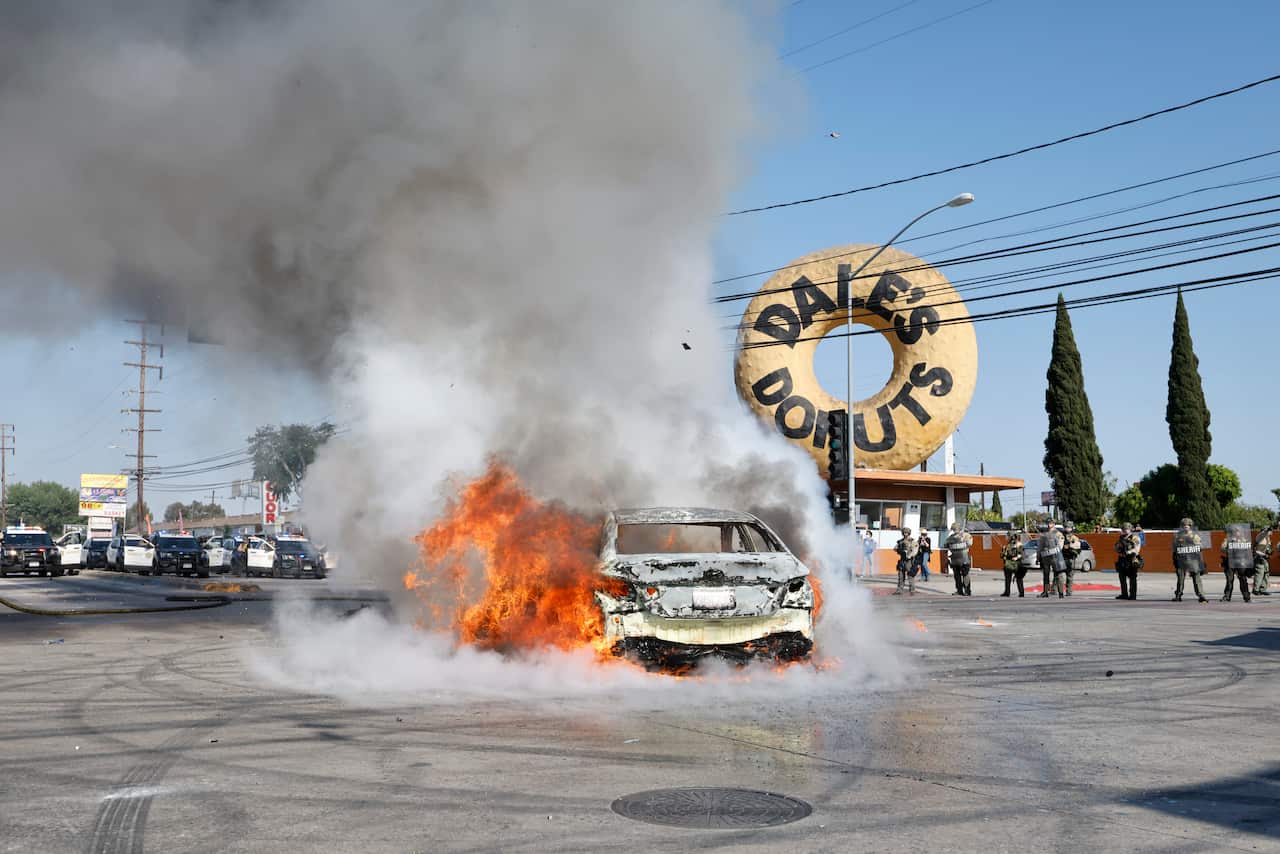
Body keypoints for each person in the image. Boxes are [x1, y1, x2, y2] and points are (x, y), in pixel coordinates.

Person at [1171, 517, 1207, 603]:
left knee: (1196, 578)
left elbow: (1201, 547)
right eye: (1184, 525)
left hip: (1193, 560)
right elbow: (1174, 548)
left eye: (1187, 525)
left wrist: (1193, 544)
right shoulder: (1178, 536)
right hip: (1181, 559)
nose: (1185, 527)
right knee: (1180, 578)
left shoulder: (1195, 536)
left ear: (1190, 526)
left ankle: (1201, 595)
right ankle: (1178, 595)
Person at [1221, 524, 1253, 603]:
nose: (1237, 532)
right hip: (1230, 561)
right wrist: (1229, 548)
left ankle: (1247, 597)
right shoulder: (1228, 540)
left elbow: (1249, 550)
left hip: (1241, 562)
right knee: (1229, 580)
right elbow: (1222, 548)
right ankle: (1227, 596)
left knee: (1243, 579)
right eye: (1235, 531)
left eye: (1238, 531)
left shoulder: (1244, 540)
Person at [1114, 523, 1143, 600]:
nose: (1124, 530)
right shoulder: (1121, 538)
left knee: (1132, 578)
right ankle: (1124, 594)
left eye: (1126, 528)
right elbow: (1117, 547)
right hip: (1122, 559)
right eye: (1123, 529)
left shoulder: (1135, 538)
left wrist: (1128, 552)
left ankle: (1132, 595)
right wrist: (1119, 550)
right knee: (1122, 577)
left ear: (1130, 529)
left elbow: (1137, 549)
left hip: (1131, 559)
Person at [1037, 522, 1066, 598]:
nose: (1049, 524)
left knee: (1058, 575)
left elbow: (1060, 546)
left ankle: (1061, 592)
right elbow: (1040, 546)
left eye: (1051, 523)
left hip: (1055, 556)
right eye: (1048, 523)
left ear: (1054, 524)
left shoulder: (1058, 534)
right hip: (1045, 557)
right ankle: (1045, 592)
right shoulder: (1044, 534)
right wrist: (1038, 557)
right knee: (1046, 575)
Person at [944, 522, 973, 596]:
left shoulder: (966, 535)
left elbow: (970, 543)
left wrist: (962, 537)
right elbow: (945, 545)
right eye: (953, 529)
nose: (954, 530)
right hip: (954, 559)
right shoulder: (951, 537)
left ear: (959, 528)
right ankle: (959, 590)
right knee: (957, 576)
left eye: (955, 529)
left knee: (965, 575)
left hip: (964, 559)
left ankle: (967, 590)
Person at [1001, 530, 1027, 597]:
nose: (1006, 537)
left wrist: (1017, 557)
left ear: (1011, 536)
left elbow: (1023, 554)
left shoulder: (1019, 544)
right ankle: (1007, 592)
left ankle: (1021, 592)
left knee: (1019, 578)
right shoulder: (1007, 545)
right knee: (1007, 578)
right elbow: (1002, 556)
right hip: (1009, 564)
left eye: (1008, 536)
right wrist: (1003, 550)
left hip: (1017, 564)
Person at [893, 527, 919, 595]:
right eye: (904, 532)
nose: (905, 534)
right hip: (902, 560)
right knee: (901, 576)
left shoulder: (912, 541)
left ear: (909, 533)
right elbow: (895, 548)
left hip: (909, 561)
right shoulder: (900, 541)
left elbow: (915, 551)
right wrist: (900, 550)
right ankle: (899, 589)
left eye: (907, 533)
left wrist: (909, 554)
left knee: (910, 575)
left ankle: (912, 590)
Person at [1253, 524, 1274, 596]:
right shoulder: (1260, 537)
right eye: (1270, 531)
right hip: (1258, 558)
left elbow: (1268, 549)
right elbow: (1262, 534)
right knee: (1260, 573)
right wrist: (1266, 529)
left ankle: (1263, 589)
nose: (1271, 532)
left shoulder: (1267, 538)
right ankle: (1256, 589)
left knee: (1266, 573)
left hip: (1264, 558)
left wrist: (1269, 552)